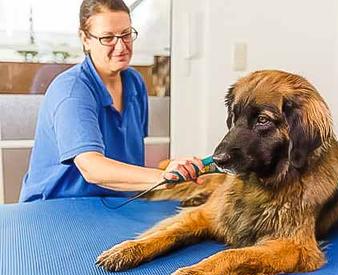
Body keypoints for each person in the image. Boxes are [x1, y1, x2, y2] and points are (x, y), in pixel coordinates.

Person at [19, 0, 202, 202]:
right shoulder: (72, 92)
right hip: (57, 208)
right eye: (107, 38)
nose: (121, 46)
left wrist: (173, 168)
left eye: (126, 34)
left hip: (115, 204)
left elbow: (128, 156)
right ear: (85, 39)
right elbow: (92, 168)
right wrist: (162, 177)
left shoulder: (134, 83)